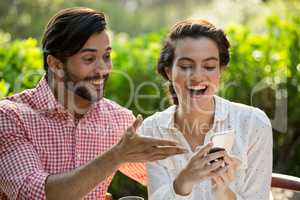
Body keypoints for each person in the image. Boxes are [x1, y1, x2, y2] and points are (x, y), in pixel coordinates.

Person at [0, 7, 187, 200]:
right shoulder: (10, 116)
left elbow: (168, 175)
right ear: (55, 65)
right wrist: (115, 156)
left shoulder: (117, 119)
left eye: (106, 56)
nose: (103, 69)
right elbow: (33, 195)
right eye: (89, 59)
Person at [138, 19, 273, 199]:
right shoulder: (152, 130)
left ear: (221, 70)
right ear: (169, 71)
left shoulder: (253, 124)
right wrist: (184, 181)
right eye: (186, 66)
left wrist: (224, 192)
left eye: (209, 67)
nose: (198, 76)